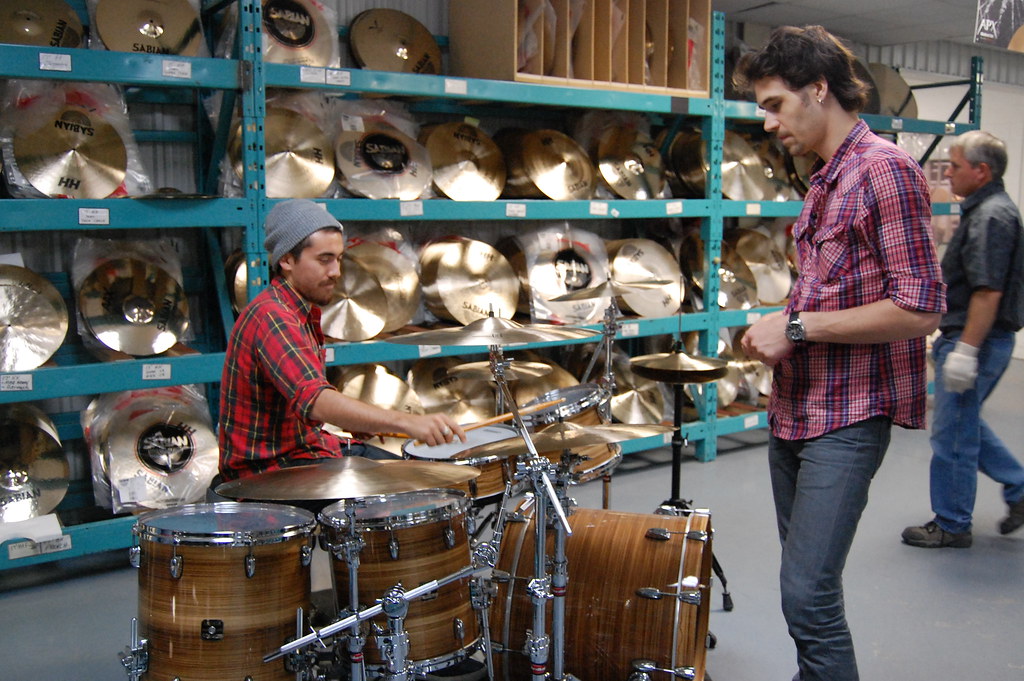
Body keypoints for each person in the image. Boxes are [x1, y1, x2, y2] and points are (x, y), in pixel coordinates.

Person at [733, 26, 946, 681]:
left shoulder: (884, 169)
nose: (768, 122)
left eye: (774, 104)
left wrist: (796, 329)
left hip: (848, 418)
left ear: (818, 89)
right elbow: (831, 290)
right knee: (805, 588)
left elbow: (922, 307)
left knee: (807, 594)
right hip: (798, 408)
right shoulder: (829, 178)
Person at [217, 198, 465, 482]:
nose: (336, 272)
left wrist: (358, 421)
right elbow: (316, 400)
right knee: (417, 488)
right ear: (286, 260)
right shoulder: (273, 317)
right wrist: (407, 421)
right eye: (324, 260)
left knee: (423, 475)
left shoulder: (298, 311)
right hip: (266, 474)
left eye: (338, 259)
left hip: (304, 451)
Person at [902, 131, 1024, 548]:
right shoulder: (986, 210)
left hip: (980, 340)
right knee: (963, 424)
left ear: (981, 171)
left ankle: (952, 524)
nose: (948, 173)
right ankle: (1020, 487)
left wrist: (966, 352)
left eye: (954, 166)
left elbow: (987, 292)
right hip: (975, 337)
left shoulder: (992, 217)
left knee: (951, 433)